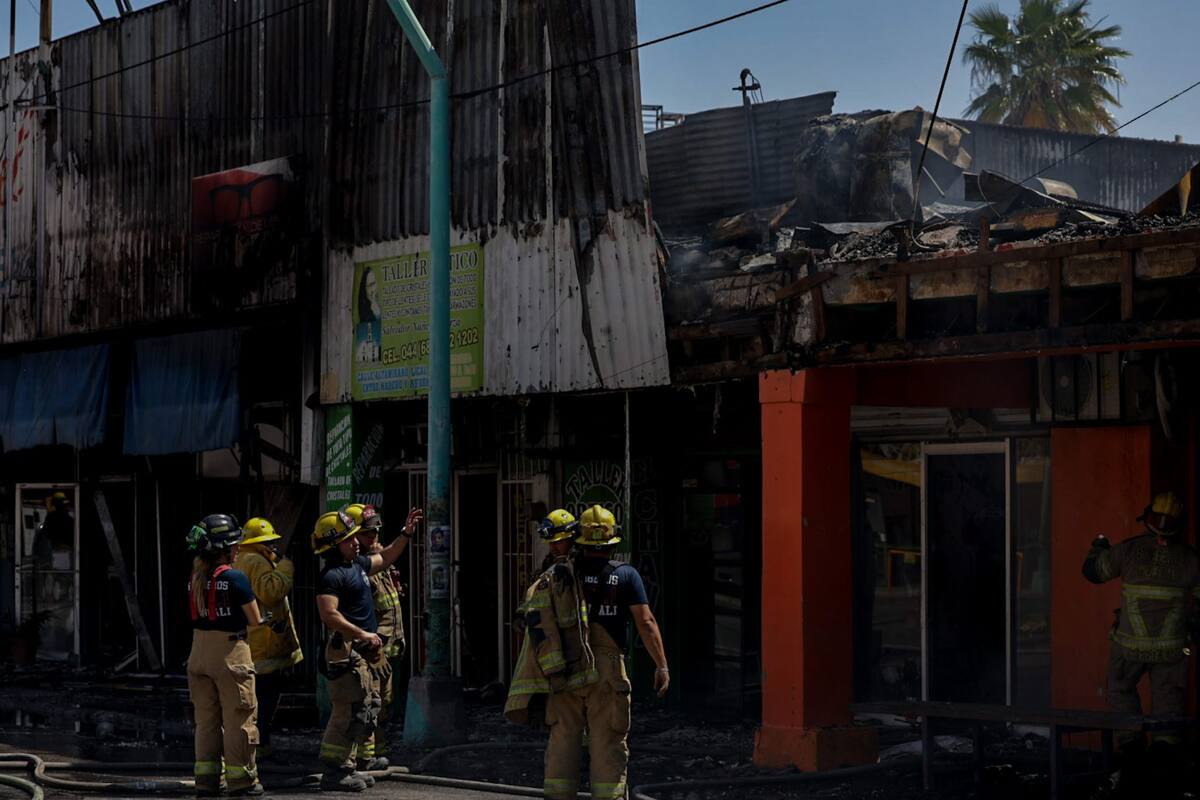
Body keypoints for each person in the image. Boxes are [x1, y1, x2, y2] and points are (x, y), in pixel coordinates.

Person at [543, 505, 669, 800]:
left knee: (563, 738)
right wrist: (662, 665)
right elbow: (646, 622)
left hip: (566, 666)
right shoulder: (626, 576)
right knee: (607, 741)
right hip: (608, 671)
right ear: (613, 539)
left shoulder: (561, 574)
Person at [311, 505, 423, 792]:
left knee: (363, 709)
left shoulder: (356, 566)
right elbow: (329, 614)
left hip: (362, 651)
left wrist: (406, 534)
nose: (356, 542)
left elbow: (385, 557)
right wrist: (362, 633)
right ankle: (334, 772)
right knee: (345, 712)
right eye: (349, 539)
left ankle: (348, 767)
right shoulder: (332, 576)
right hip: (346, 653)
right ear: (336, 545)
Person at [1083, 491, 1200, 753]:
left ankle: (1130, 748)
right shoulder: (1192, 560)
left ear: (1148, 518)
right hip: (1173, 651)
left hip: (1128, 649)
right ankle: (1165, 760)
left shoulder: (1129, 550)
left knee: (1120, 690)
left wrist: (1098, 547)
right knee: (1168, 703)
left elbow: (1092, 572)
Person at [185, 514, 269, 797]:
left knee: (206, 722)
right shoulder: (235, 578)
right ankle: (242, 781)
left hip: (197, 655)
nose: (237, 550)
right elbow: (255, 619)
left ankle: (206, 782)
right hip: (230, 655)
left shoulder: (196, 578)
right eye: (234, 545)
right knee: (238, 719)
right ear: (223, 548)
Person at [232, 517, 303, 759]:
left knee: (256, 699)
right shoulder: (256, 561)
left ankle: (257, 744)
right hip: (265, 644)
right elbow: (271, 593)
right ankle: (260, 746)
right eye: (270, 541)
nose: (274, 546)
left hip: (253, 642)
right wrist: (286, 567)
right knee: (265, 698)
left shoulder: (241, 559)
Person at [344, 503, 405, 772]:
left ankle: (375, 753)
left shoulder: (377, 562)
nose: (374, 538)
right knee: (369, 704)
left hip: (388, 648)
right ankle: (363, 758)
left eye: (377, 532)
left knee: (382, 705)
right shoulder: (355, 570)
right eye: (368, 534)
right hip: (370, 649)